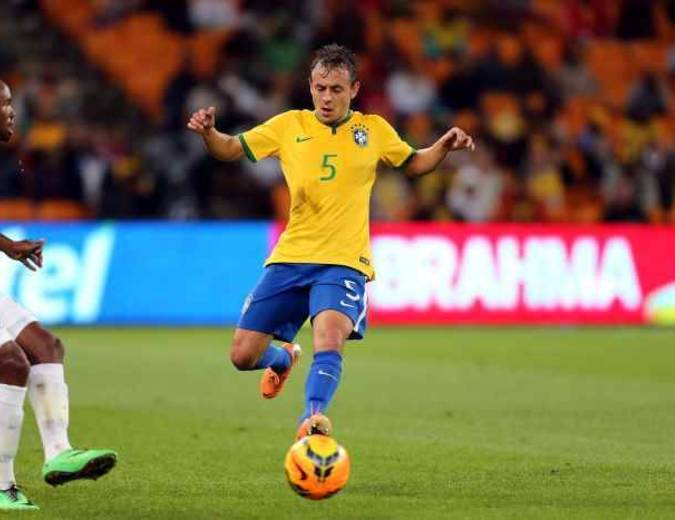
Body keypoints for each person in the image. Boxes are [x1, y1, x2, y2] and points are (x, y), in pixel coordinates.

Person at [186, 44, 474, 439]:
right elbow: (231, 148)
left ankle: (313, 418)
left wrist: (443, 146)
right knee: (242, 355)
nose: (326, 97)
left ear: (354, 89)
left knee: (329, 336)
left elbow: (414, 162)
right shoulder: (289, 126)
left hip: (343, 260)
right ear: (310, 86)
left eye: (336, 89)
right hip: (291, 256)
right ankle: (284, 358)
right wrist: (208, 133)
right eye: (320, 87)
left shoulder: (373, 130)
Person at [0, 74, 117, 511]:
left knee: (45, 345)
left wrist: (8, 246)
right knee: (13, 364)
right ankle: (1, 486)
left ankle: (59, 454)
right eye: (6, 103)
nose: (14, 111)